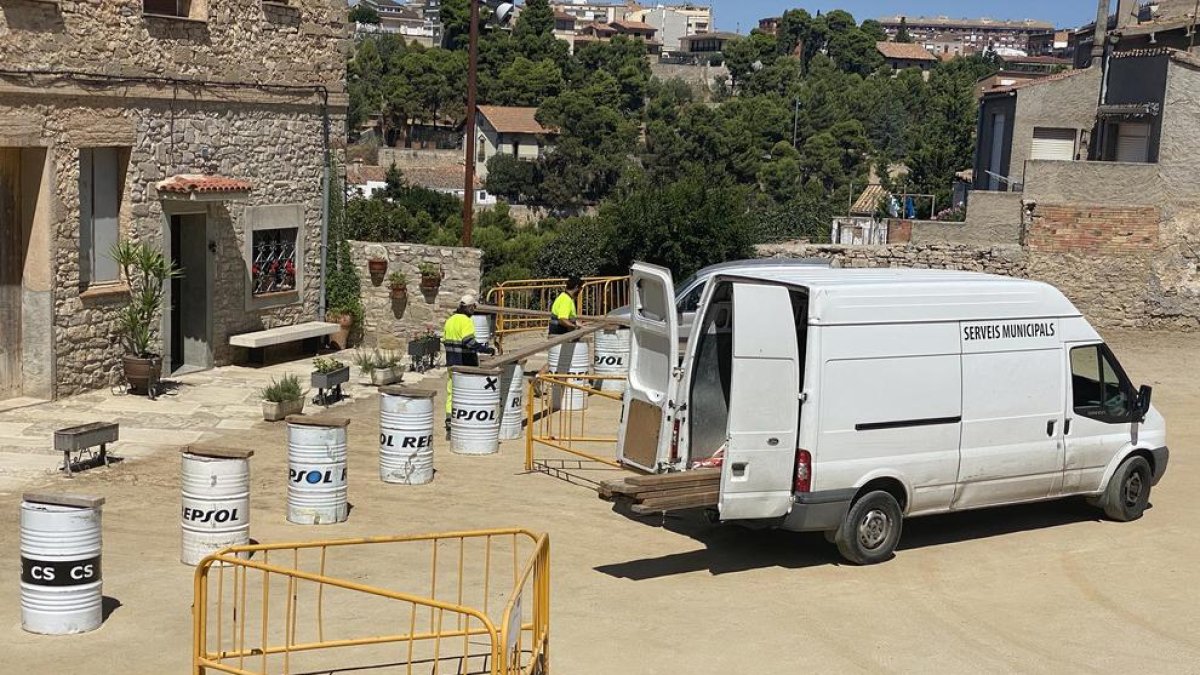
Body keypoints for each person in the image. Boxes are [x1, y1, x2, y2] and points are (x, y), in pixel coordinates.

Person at [442, 294, 494, 435]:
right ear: (470, 307)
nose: (474, 310)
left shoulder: (450, 320)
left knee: (452, 391)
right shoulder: (466, 321)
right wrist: (485, 349)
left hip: (451, 362)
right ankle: (464, 420)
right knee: (467, 394)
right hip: (465, 363)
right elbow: (469, 342)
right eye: (474, 307)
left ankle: (449, 419)